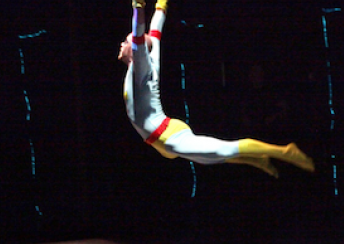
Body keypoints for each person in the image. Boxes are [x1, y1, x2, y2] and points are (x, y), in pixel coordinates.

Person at [118, 0, 314, 179]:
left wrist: (138, 6)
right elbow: (156, 27)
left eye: (126, 42)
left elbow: (139, 34)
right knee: (209, 158)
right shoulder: (146, 60)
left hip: (166, 136)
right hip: (160, 141)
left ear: (137, 51)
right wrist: (161, 4)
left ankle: (284, 151)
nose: (123, 43)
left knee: (221, 151)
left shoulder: (140, 67)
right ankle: (256, 159)